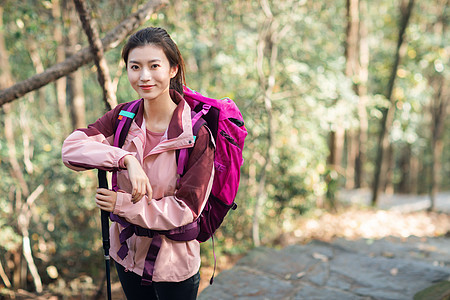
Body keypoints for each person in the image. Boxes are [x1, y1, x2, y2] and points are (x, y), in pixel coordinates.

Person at [62, 27, 215, 300]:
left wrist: (123, 205)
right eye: (135, 67)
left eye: (154, 65)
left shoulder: (196, 133)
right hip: (127, 258)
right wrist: (125, 159)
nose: (144, 76)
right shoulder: (121, 119)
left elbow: (186, 210)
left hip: (174, 266)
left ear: (172, 69)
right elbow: (72, 149)